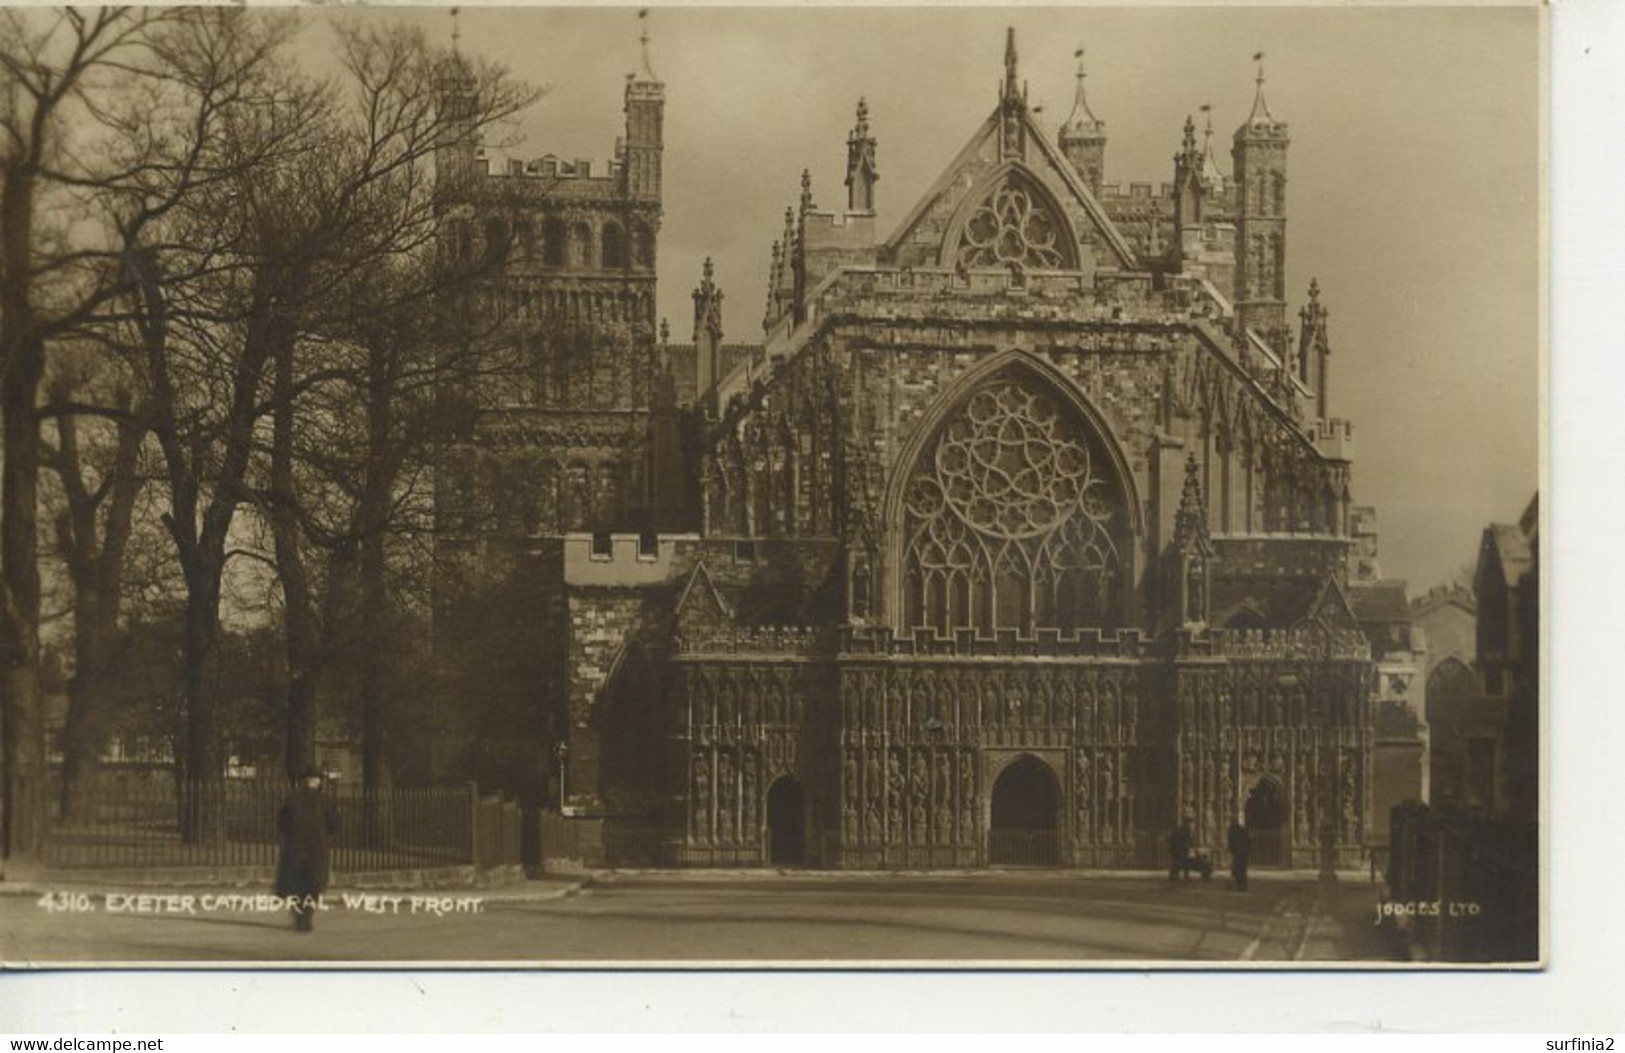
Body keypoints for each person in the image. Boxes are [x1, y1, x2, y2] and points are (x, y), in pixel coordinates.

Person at [276, 766, 339, 932]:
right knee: (313, 884)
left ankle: (298, 918)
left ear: (304, 780)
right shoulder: (326, 800)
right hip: (317, 849)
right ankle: (307, 917)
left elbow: (282, 824)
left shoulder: (292, 799)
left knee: (296, 883)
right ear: (318, 781)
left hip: (295, 848)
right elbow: (334, 825)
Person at [1167, 816, 1195, 882]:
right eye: (1189, 823)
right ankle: (1184, 876)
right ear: (1186, 823)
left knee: (1177, 863)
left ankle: (1173, 876)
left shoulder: (1179, 829)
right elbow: (1189, 839)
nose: (1190, 824)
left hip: (1177, 849)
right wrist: (1192, 845)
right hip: (1181, 849)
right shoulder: (1186, 829)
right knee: (1183, 863)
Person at [1227, 819, 1252, 891]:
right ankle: (1242, 885)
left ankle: (1239, 885)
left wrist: (1231, 850)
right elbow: (1249, 840)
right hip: (1243, 853)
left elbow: (1231, 842)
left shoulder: (1232, 830)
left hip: (1238, 853)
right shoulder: (1243, 830)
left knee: (1237, 869)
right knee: (1242, 870)